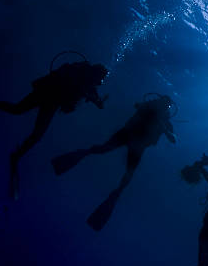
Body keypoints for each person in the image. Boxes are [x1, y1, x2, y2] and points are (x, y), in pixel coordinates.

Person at [51, 94, 176, 231]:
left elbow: (173, 139)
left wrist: (166, 130)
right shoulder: (150, 106)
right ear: (161, 101)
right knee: (106, 151)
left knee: (125, 169)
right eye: (165, 103)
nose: (165, 106)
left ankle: (115, 193)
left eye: (167, 105)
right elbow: (138, 106)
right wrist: (157, 120)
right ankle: (84, 156)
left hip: (137, 143)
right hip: (128, 135)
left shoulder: (165, 120)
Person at [0, 60, 109, 199]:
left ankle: (17, 155)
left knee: (34, 131)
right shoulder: (81, 71)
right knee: (17, 110)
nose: (98, 82)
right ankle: (16, 155)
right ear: (95, 74)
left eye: (100, 81)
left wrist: (99, 103)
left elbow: (95, 99)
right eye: (99, 79)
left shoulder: (90, 86)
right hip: (46, 93)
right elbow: (71, 81)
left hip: (51, 103)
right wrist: (88, 96)